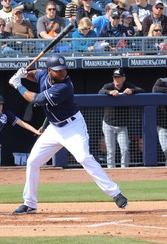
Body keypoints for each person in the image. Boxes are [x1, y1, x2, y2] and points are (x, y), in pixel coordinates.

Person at [8, 54, 128, 214]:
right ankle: (30, 203)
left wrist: (18, 85)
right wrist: (23, 73)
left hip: (73, 127)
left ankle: (115, 193)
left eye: (64, 69)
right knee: (32, 162)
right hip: (54, 128)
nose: (63, 73)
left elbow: (36, 99)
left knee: (84, 157)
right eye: (58, 70)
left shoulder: (65, 86)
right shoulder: (44, 74)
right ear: (49, 70)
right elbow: (34, 74)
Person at [98, 68, 144, 168]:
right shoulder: (108, 86)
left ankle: (124, 171)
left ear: (123, 78)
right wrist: (109, 92)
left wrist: (132, 90)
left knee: (125, 149)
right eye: (115, 77)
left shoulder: (128, 85)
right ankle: (111, 171)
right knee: (110, 150)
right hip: (108, 124)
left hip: (122, 125)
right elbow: (100, 91)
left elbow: (141, 90)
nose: (116, 79)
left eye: (118, 77)